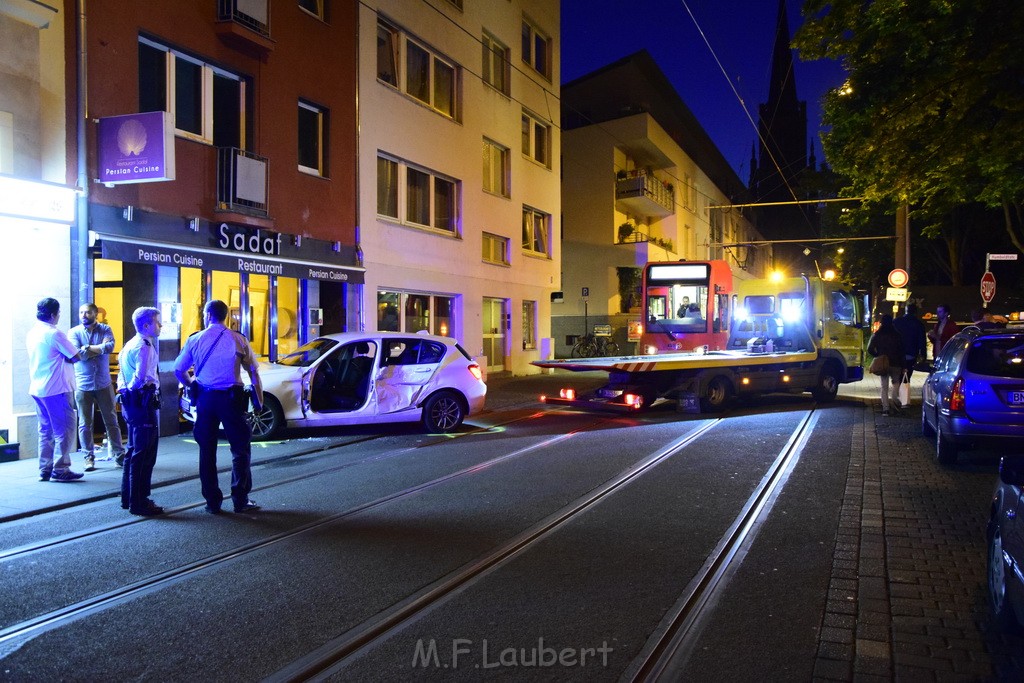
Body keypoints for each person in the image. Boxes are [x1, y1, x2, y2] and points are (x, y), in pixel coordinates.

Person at [174, 300, 264, 514]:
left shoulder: (195, 339)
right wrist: (258, 401)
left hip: (206, 400)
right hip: (231, 400)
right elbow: (253, 372)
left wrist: (191, 384)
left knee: (207, 450)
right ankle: (240, 500)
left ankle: (212, 502)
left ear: (206, 315)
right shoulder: (238, 339)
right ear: (226, 316)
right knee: (240, 449)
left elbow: (179, 369)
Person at [27, 298, 85, 482]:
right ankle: (61, 469)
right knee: (65, 430)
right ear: (53, 314)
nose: (59, 316)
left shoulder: (32, 332)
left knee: (45, 430)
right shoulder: (54, 334)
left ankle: (45, 468)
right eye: (58, 313)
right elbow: (76, 356)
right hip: (57, 388)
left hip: (38, 387)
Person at [117, 307, 164, 516]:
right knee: (144, 453)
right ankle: (140, 500)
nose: (160, 326)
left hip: (132, 403)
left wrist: (125, 391)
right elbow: (140, 376)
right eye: (157, 322)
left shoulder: (129, 344)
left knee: (133, 451)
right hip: (142, 402)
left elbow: (121, 376)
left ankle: (128, 497)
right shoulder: (144, 346)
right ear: (146, 325)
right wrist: (135, 391)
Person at [69, 302, 126, 470]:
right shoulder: (73, 332)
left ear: (95, 314)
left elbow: (110, 347)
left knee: (111, 420)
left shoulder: (105, 329)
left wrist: (87, 348)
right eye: (81, 312)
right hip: (82, 384)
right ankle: (88, 457)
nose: (83, 315)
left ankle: (118, 454)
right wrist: (97, 349)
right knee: (85, 423)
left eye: (87, 313)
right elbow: (77, 354)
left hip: (103, 383)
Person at [867, 314, 906, 417]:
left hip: (883, 363)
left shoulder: (878, 334)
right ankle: (894, 400)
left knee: (884, 386)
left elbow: (870, 349)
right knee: (896, 383)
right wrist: (904, 365)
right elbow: (902, 351)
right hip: (896, 363)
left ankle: (886, 409)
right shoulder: (897, 335)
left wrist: (878, 355)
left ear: (882, 323)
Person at [893, 302, 927, 383]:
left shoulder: (896, 321)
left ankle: (896, 390)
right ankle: (903, 390)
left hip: (896, 353)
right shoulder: (918, 324)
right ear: (915, 312)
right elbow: (921, 340)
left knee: (897, 375)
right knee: (907, 375)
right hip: (911, 354)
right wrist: (923, 355)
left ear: (905, 311)